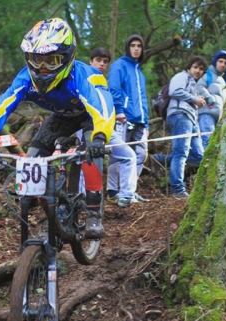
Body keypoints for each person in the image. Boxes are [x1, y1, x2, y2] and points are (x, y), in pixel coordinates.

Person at [0, 18, 115, 239]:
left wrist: (100, 137)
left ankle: (94, 213)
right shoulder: (26, 78)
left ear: (67, 57)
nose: (43, 68)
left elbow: (102, 107)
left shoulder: (84, 76)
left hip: (90, 117)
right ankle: (52, 208)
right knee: (32, 160)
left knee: (90, 154)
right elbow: (1, 105)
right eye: (37, 60)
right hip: (61, 117)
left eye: (51, 60)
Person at [86, 47, 139, 208]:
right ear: (91, 61)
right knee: (89, 159)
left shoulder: (105, 83)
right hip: (86, 127)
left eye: (105, 62)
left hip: (107, 129)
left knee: (129, 155)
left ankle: (126, 196)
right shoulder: (83, 79)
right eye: (98, 60)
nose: (101, 64)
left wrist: (115, 115)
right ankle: (84, 199)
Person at [150, 56, 208, 199]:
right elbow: (174, 91)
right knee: (181, 153)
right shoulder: (181, 76)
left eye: (201, 69)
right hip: (180, 116)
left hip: (191, 120)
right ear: (189, 67)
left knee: (199, 156)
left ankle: (159, 159)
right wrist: (195, 99)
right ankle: (177, 189)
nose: (198, 71)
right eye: (195, 67)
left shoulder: (193, 84)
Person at [107, 34, 150, 205]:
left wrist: (146, 122)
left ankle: (129, 190)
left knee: (140, 154)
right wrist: (119, 110)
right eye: (133, 45)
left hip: (139, 120)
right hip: (123, 117)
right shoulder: (119, 65)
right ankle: (112, 191)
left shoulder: (139, 72)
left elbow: (143, 99)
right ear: (128, 47)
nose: (136, 48)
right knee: (118, 155)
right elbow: (114, 89)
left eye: (139, 45)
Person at [196, 50, 226, 149]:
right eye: (220, 61)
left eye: (225, 63)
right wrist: (210, 98)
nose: (222, 64)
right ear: (215, 62)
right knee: (206, 140)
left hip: (218, 117)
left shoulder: (223, 81)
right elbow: (198, 87)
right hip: (207, 113)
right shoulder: (208, 75)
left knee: (214, 144)